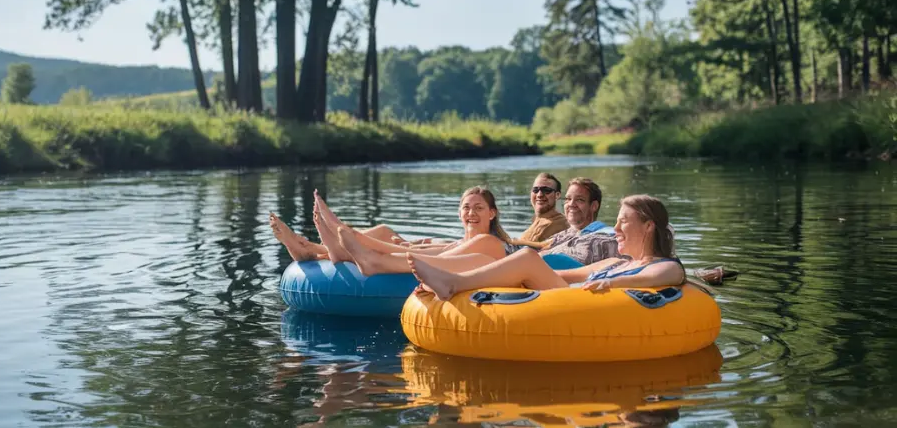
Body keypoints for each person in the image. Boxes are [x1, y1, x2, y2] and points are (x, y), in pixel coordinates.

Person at [405, 194, 687, 301]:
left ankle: (452, 283)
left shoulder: (663, 267)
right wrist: (508, 276)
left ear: (648, 226)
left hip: (580, 306)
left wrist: (613, 284)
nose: (615, 230)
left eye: (623, 222)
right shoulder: (615, 264)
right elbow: (564, 277)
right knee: (527, 261)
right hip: (569, 297)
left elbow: (663, 276)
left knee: (527, 257)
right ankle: (451, 283)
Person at [270, 186, 517, 266]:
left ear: (492, 214)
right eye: (466, 207)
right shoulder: (464, 242)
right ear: (458, 212)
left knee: (390, 246)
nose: (471, 213)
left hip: (452, 264)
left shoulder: (490, 244)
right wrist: (410, 244)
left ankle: (332, 245)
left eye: (478, 208)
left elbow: (434, 256)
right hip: (448, 253)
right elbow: (438, 248)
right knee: (386, 232)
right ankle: (318, 248)